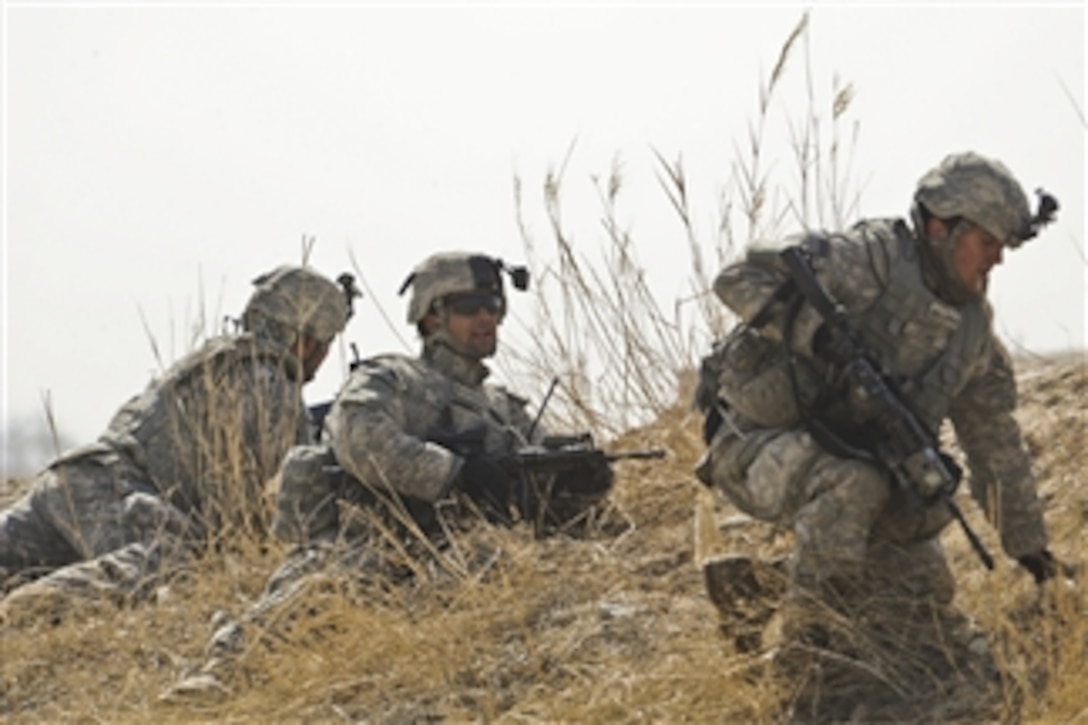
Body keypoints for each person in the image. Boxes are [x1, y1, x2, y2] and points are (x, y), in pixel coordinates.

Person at [693, 151, 1063, 717]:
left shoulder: (972, 337)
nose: (997, 261)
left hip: (860, 469)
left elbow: (996, 443)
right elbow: (738, 276)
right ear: (940, 227)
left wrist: (1030, 548)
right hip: (755, 444)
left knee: (923, 615)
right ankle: (805, 667)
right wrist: (818, 339)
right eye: (988, 242)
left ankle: (757, 588)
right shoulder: (868, 261)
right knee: (854, 485)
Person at [164, 251, 613, 700]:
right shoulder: (391, 379)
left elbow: (536, 480)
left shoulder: (504, 409)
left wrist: (579, 484)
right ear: (430, 318)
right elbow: (360, 438)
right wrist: (454, 475)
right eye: (469, 307)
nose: (485, 318)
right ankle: (223, 671)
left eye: (493, 307)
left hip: (464, 557)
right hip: (373, 543)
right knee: (324, 587)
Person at [0, 264, 353, 620]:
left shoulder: (213, 359)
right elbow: (247, 519)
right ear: (306, 341)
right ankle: (38, 605)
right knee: (182, 561)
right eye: (326, 345)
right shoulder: (271, 388)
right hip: (119, 498)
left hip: (72, 479)